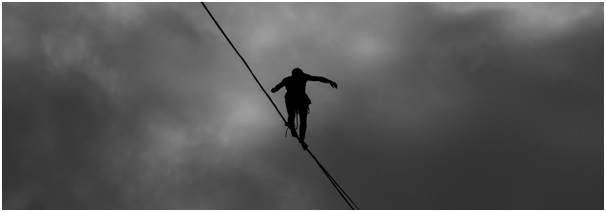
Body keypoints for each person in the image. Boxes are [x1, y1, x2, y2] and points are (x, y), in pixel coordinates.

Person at [271, 68, 338, 150]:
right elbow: (318, 78)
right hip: (296, 100)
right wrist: (329, 81)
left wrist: (274, 90)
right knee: (299, 119)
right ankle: (296, 132)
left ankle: (296, 132)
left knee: (295, 117)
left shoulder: (289, 79)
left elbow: (278, 86)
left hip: (296, 100)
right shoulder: (301, 77)